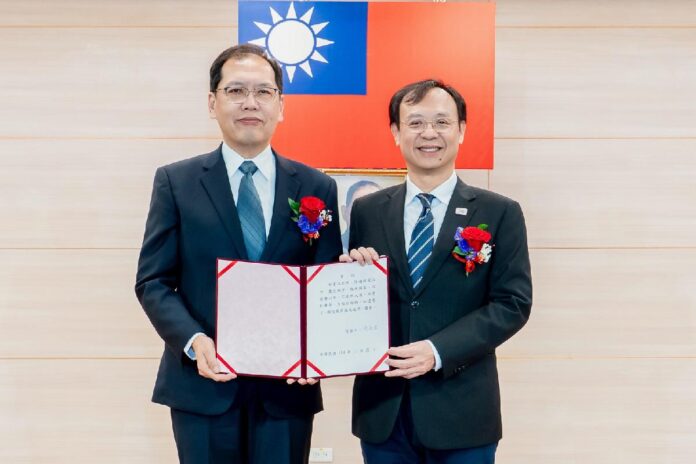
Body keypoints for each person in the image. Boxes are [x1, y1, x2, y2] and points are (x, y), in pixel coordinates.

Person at [135, 44, 342, 464]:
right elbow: (153, 281)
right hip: (202, 386)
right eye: (236, 91)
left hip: (286, 391)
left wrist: (317, 351)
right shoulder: (176, 182)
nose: (250, 103)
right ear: (213, 103)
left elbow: (325, 284)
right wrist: (193, 341)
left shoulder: (317, 187)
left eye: (264, 92)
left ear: (281, 106)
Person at [342, 79, 532, 464]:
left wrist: (437, 351)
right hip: (383, 411)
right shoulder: (367, 210)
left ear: (461, 130)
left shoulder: (499, 212)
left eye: (442, 122)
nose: (429, 133)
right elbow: (360, 303)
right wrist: (350, 276)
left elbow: (512, 304)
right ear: (396, 132)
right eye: (415, 123)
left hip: (463, 410)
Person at [340, 180, 381, 253]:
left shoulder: (396, 248)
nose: (368, 214)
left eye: (375, 207)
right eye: (359, 206)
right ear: (344, 212)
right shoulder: (332, 249)